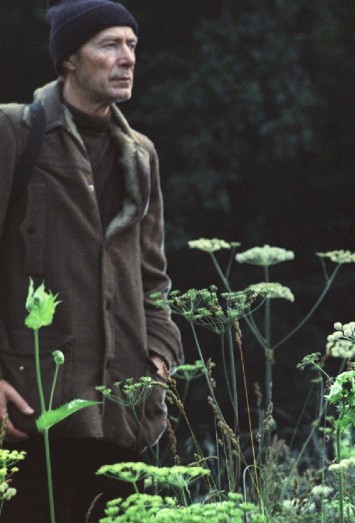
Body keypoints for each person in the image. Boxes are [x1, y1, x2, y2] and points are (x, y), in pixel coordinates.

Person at [0, 1, 182, 521]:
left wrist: (159, 360)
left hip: (122, 419)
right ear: (69, 60)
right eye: (110, 45)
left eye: (132, 45)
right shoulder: (16, 133)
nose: (127, 57)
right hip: (31, 413)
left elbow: (153, 279)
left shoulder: (140, 154)